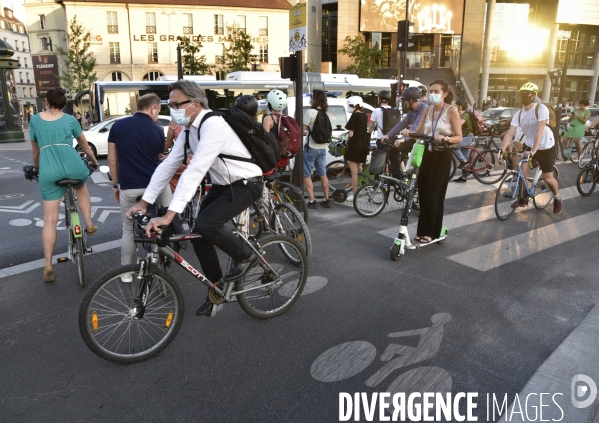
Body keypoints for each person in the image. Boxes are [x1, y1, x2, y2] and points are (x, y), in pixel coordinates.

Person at [126, 80, 263, 316]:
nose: (173, 110)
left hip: (246, 184)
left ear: (196, 104)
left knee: (206, 224)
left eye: (178, 104)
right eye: (171, 104)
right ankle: (217, 289)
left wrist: (169, 215)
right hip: (224, 184)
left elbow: (195, 170)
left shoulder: (214, 126)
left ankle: (245, 256)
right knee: (201, 235)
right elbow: (169, 165)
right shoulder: (190, 129)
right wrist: (144, 202)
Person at [29, 87, 99, 282]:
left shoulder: (35, 120)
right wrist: (93, 161)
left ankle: (48, 265)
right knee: (81, 185)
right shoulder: (70, 119)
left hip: (49, 169)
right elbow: (84, 145)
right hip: (73, 165)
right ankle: (89, 223)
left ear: (47, 102)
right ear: (63, 103)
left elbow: (35, 151)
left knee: (50, 219)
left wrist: (36, 167)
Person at [108, 93, 173, 282]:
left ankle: (126, 273)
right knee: (165, 217)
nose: (157, 114)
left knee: (127, 229)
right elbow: (160, 157)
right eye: (158, 111)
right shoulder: (157, 129)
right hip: (156, 186)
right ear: (153, 108)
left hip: (129, 186)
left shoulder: (118, 126)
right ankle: (161, 258)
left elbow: (113, 159)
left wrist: (115, 184)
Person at [411, 79, 462, 243]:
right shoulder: (427, 109)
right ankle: (422, 231)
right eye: (430, 91)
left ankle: (432, 232)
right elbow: (419, 131)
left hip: (442, 154)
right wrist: (402, 136)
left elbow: (459, 137)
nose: (432, 94)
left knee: (434, 195)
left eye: (436, 91)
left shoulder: (451, 110)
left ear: (445, 94)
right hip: (427, 153)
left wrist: (446, 138)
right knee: (424, 194)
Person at [501, 82, 562, 214]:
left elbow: (539, 132)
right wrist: (502, 149)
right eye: (521, 94)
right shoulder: (519, 113)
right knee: (522, 173)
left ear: (533, 96)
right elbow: (510, 133)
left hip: (545, 145)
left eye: (526, 94)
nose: (523, 96)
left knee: (547, 178)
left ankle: (557, 198)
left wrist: (533, 151)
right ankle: (523, 198)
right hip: (529, 144)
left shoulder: (541, 109)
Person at [379, 87, 427, 179]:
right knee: (392, 146)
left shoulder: (423, 109)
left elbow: (416, 127)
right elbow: (402, 124)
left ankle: (401, 176)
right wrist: (388, 135)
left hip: (422, 140)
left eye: (405, 100)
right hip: (414, 138)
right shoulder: (411, 111)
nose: (404, 103)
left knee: (397, 148)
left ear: (411, 100)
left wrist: (403, 139)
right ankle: (398, 176)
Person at [303, 89, 331, 209]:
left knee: (306, 174)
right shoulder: (325, 112)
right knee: (322, 173)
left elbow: (302, 130)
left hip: (311, 147)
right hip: (322, 148)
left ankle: (312, 200)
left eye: (312, 97)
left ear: (315, 99)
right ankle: (326, 199)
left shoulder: (310, 112)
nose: (311, 98)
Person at [344, 96, 369, 200]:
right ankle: (365, 189)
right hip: (362, 146)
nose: (349, 107)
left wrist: (346, 140)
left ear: (354, 105)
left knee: (354, 173)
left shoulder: (354, 116)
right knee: (360, 169)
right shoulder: (364, 115)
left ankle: (354, 195)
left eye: (350, 105)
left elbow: (351, 134)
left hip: (354, 147)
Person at [263, 89, 289, 171]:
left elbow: (265, 139)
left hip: (273, 158)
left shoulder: (268, 119)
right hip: (284, 158)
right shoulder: (287, 118)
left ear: (270, 104)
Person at [451, 100, 476, 183]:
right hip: (464, 138)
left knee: (453, 146)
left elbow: (458, 124)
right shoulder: (459, 115)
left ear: (460, 107)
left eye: (455, 106)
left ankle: (464, 162)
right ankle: (463, 177)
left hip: (469, 138)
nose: (454, 107)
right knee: (464, 159)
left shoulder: (465, 115)